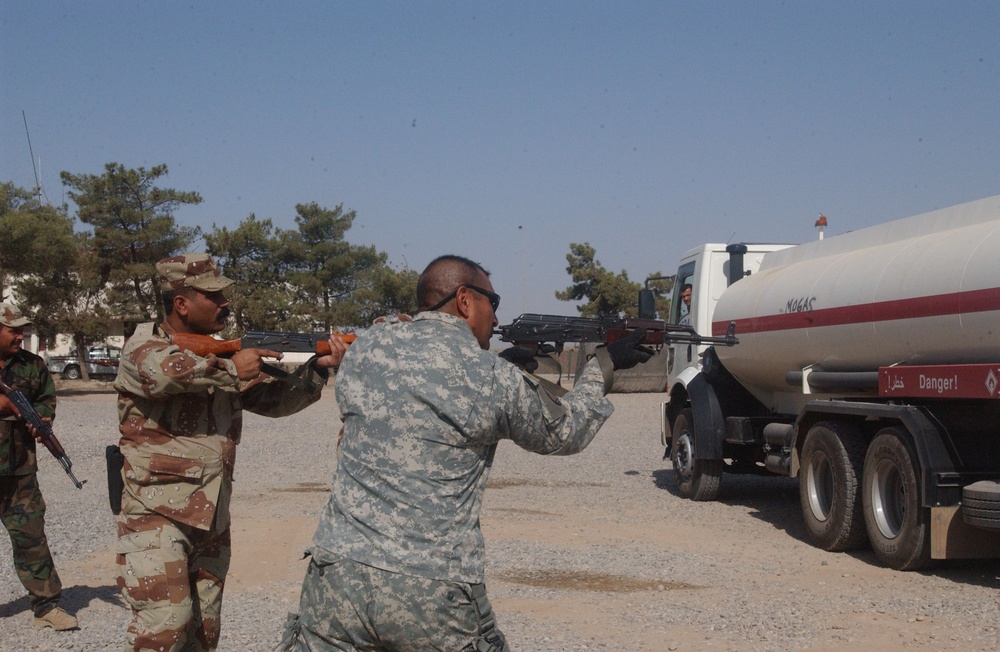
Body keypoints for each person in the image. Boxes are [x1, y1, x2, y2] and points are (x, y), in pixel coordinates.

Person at [280, 254, 652, 651]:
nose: (495, 319)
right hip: (431, 590)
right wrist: (602, 367)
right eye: (493, 302)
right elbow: (566, 431)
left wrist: (505, 371)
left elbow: (417, 390)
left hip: (335, 576)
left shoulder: (366, 349)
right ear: (465, 300)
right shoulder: (491, 377)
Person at [112, 253, 347, 651]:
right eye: (213, 297)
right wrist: (233, 369)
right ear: (181, 304)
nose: (225, 304)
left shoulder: (219, 358)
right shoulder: (144, 348)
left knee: (204, 633)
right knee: (164, 629)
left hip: (210, 517)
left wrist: (317, 370)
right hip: (155, 516)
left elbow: (274, 402)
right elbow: (166, 374)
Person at [0, 302, 79, 631]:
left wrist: (42, 417)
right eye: (13, 330)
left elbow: (46, 399)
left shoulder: (32, 366)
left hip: (19, 471)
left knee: (31, 536)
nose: (21, 336)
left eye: (23, 329)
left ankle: (46, 606)